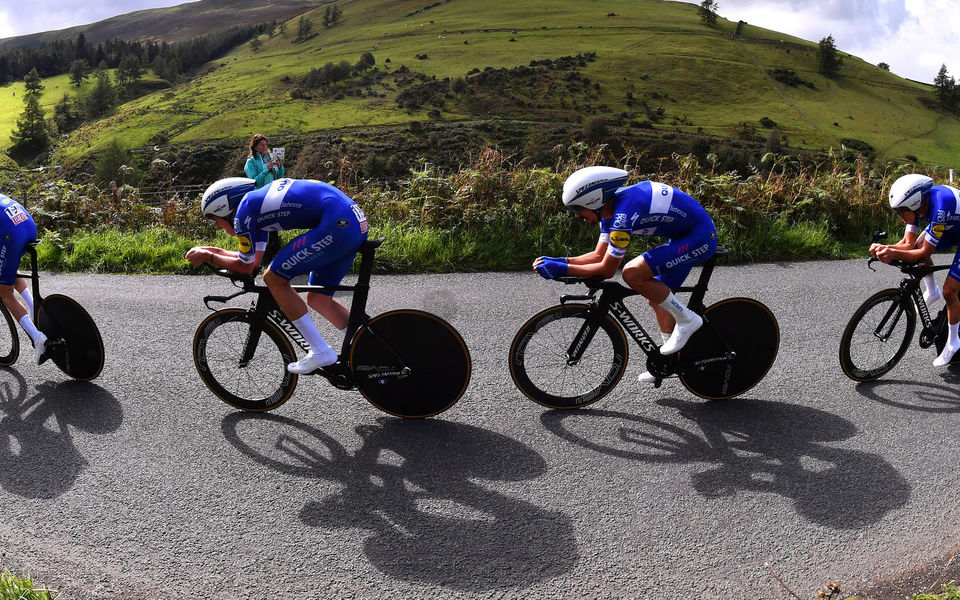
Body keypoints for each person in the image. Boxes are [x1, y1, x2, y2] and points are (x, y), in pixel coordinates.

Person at [533, 166, 718, 383]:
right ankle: (668, 361)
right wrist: (562, 261)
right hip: (682, 237)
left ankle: (687, 320)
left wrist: (564, 270)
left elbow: (607, 269)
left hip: (700, 238)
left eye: (578, 209)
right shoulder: (610, 211)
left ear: (594, 201)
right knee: (657, 298)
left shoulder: (623, 215)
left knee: (632, 273)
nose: (577, 215)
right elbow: (597, 255)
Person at [186, 177, 369, 373]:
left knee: (273, 279)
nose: (217, 226)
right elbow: (253, 260)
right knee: (319, 299)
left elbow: (246, 267)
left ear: (224, 209)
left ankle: (320, 351)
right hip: (352, 223)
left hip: (338, 224)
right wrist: (213, 252)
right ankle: (370, 345)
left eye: (215, 220)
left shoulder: (243, 213)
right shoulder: (255, 208)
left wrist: (209, 256)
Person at [872, 173, 960, 366]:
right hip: (954, 227)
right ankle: (932, 291)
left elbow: (923, 252)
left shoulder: (939, 208)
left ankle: (954, 343)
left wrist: (893, 254)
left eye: (902, 212)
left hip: (951, 223)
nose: (901, 218)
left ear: (916, 203)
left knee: (950, 291)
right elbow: (907, 244)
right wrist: (885, 248)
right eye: (898, 213)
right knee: (918, 243)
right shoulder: (917, 205)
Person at [0, 194, 46, 363]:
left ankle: (38, 338)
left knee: (5, 292)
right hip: (28, 226)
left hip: (11, 235)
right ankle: (34, 306)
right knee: (8, 267)